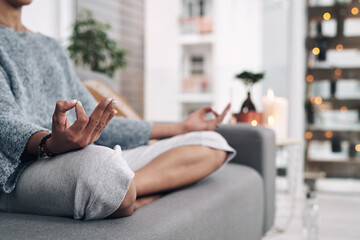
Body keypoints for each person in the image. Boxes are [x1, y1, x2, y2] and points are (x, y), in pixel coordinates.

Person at [0, 0, 236, 220]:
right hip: (20, 170)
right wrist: (49, 144)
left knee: (211, 143)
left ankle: (128, 191)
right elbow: (4, 120)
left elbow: (96, 119)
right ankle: (125, 190)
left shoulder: (51, 47)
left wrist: (182, 127)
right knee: (102, 170)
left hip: (79, 156)